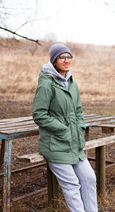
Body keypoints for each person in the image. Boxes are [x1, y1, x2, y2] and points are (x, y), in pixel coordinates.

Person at [32, 44, 98, 212]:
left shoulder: (71, 83)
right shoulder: (47, 83)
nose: (67, 60)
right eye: (62, 57)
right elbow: (39, 114)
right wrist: (63, 129)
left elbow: (77, 111)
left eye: (69, 57)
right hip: (55, 144)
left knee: (89, 178)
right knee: (72, 185)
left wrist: (79, 129)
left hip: (73, 143)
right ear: (54, 61)